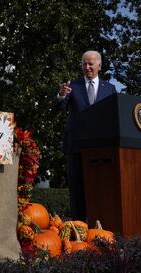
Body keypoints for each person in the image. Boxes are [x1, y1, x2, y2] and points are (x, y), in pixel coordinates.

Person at [57, 50, 117, 221]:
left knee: (101, 187)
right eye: (84, 63)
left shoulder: (110, 88)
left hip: (101, 147)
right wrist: (61, 95)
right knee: (77, 188)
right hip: (76, 145)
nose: (87, 67)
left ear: (99, 65)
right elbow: (60, 107)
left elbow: (113, 117)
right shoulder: (72, 86)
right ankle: (79, 226)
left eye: (91, 64)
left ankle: (101, 225)